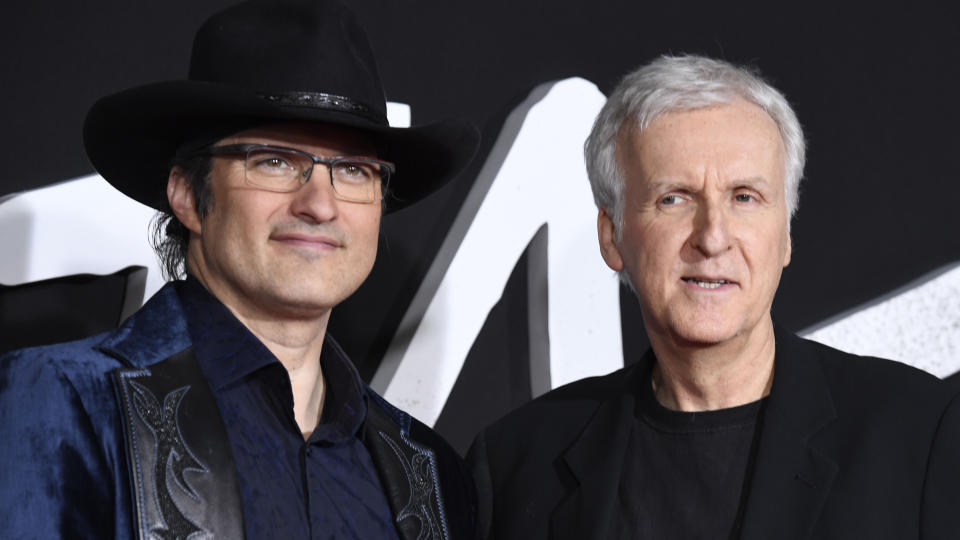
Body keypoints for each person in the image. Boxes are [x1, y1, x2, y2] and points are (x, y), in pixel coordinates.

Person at [0, 1, 479, 539]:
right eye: (273, 160)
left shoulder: (432, 474)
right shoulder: (64, 401)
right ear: (186, 194)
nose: (319, 204)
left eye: (353, 170)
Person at [468, 55, 960, 539]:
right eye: (674, 198)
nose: (713, 237)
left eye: (744, 197)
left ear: (785, 234)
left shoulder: (920, 436)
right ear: (613, 236)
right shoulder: (516, 463)